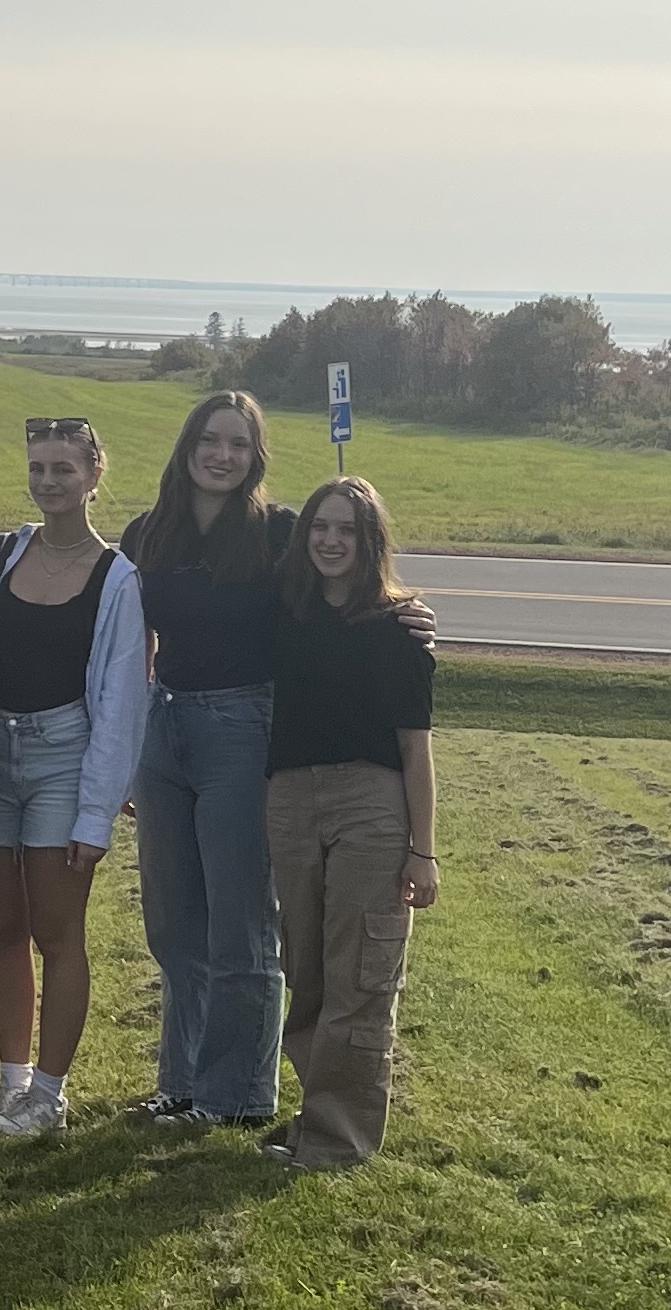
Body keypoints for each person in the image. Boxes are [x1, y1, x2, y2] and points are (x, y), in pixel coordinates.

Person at [121, 391, 433, 1129]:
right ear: (188, 446)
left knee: (239, 925)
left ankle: (235, 1096)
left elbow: (342, 584)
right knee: (174, 924)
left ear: (254, 456)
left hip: (242, 727)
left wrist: (404, 615)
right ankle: (184, 1082)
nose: (221, 455)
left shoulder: (277, 533)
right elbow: (128, 637)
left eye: (237, 443)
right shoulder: (148, 533)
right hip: (163, 728)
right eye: (209, 439)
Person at [0, 418, 146, 1136]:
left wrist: (96, 812)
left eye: (64, 469)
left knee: (57, 931)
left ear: (94, 475)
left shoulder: (118, 578)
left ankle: (49, 1095)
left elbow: (124, 699)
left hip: (64, 759)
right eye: (38, 468)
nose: (48, 482)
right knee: (3, 926)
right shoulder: (2, 554)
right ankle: (10, 1084)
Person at [264, 476, 437, 1168]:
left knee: (360, 971)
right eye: (320, 528)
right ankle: (318, 1114)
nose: (331, 541)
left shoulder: (399, 628)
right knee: (305, 967)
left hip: (372, 804)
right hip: (290, 800)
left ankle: (339, 1142)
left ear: (371, 544)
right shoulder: (283, 613)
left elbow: (414, 749)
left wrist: (423, 852)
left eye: (347, 531)